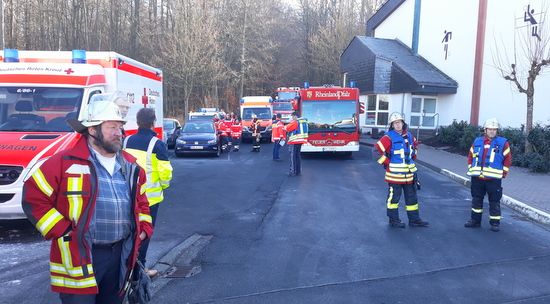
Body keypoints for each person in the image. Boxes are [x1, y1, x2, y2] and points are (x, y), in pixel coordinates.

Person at [22, 98, 153, 303]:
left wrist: (143, 229)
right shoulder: (63, 162)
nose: (120, 132)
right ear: (92, 130)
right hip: (80, 256)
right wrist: (63, 231)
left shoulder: (132, 167)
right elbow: (33, 197)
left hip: (120, 254)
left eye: (120, 127)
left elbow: (142, 203)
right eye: (112, 127)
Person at [123, 108, 173, 276]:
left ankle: (125, 265)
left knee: (128, 232)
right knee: (145, 232)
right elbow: (165, 172)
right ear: (154, 123)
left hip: (126, 196)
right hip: (149, 199)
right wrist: (164, 186)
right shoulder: (157, 144)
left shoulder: (126, 141)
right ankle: (140, 268)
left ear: (137, 122)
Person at [374, 112, 429, 228]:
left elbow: (415, 147)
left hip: (409, 175)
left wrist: (414, 156)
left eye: (399, 122)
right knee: (394, 199)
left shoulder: (409, 136)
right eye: (395, 123)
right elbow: (375, 152)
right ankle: (393, 220)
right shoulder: (388, 137)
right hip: (394, 176)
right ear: (392, 125)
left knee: (412, 199)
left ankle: (414, 220)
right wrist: (388, 162)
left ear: (403, 123)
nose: (397, 125)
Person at [465, 118, 512, 232]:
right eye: (490, 129)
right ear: (485, 130)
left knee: (494, 201)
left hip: (493, 179)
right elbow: (471, 157)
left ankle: (495, 223)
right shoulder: (477, 141)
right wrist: (471, 169)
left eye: (494, 129)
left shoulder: (502, 143)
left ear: (497, 131)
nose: (492, 131)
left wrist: (503, 173)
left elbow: (508, 159)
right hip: (477, 178)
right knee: (476, 199)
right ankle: (475, 220)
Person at [283, 111, 308, 176]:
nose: (292, 118)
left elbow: (287, 128)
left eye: (293, 117)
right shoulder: (304, 121)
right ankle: (298, 171)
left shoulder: (296, 122)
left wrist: (284, 127)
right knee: (298, 156)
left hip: (294, 141)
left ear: (295, 116)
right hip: (301, 140)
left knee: (293, 156)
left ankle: (293, 171)